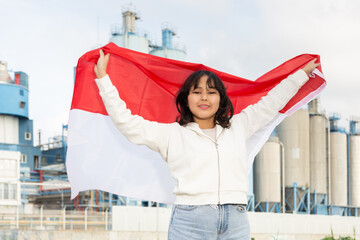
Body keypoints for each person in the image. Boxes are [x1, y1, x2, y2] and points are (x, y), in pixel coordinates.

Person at [94, 49, 320, 239]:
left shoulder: (239, 126)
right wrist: (103, 79)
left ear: (221, 98)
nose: (204, 98)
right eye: (197, 92)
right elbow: (127, 123)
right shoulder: (172, 134)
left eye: (211, 92)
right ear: (186, 98)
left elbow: (271, 103)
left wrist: (301, 74)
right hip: (190, 222)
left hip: (236, 221)